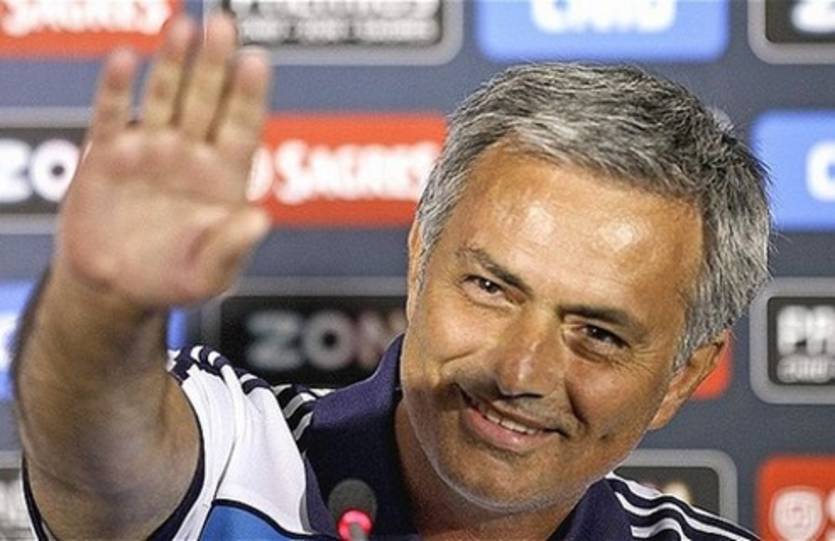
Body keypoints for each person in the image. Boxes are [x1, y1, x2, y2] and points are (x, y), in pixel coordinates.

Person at [11, 12, 769, 541]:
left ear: (680, 376)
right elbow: (93, 456)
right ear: (419, 256)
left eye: (597, 333)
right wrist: (102, 303)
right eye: (490, 288)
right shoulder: (240, 458)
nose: (520, 371)